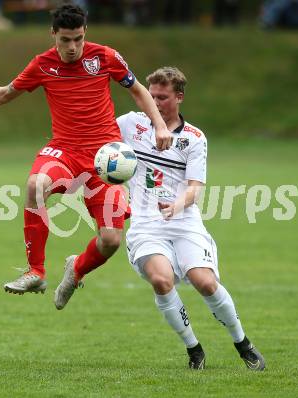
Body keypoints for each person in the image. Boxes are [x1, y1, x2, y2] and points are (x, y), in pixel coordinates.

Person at [0, 5, 171, 309]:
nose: (72, 47)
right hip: (64, 151)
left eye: (78, 39)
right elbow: (5, 93)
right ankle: (36, 271)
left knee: (111, 240)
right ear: (53, 35)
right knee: (35, 185)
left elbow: (138, 90)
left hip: (105, 157)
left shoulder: (106, 57)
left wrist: (160, 125)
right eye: (65, 40)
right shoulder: (42, 65)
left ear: (85, 32)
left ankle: (76, 270)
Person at [116, 66, 265, 370]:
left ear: (179, 97)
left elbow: (195, 189)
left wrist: (177, 206)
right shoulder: (131, 125)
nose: (155, 103)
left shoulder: (195, 138)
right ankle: (193, 348)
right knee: (161, 279)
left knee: (205, 283)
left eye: (163, 97)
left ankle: (242, 342)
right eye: (151, 96)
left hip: (184, 223)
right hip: (146, 225)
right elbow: (96, 136)